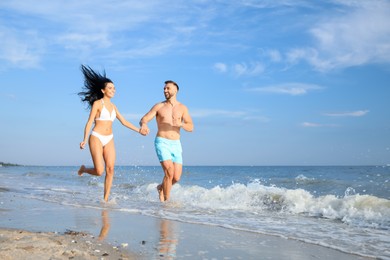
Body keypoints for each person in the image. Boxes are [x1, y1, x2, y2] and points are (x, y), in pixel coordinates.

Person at [77, 65, 146, 202]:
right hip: (96, 137)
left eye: (114, 88)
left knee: (110, 169)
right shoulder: (98, 103)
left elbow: (124, 122)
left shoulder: (114, 106)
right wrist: (84, 139)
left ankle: (106, 200)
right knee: (99, 171)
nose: (113, 90)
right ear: (103, 90)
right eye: (110, 88)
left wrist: (139, 130)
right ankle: (84, 169)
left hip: (109, 138)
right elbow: (90, 122)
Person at [139, 80, 193, 202]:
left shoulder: (182, 108)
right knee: (169, 171)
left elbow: (191, 127)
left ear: (175, 90)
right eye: (164, 89)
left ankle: (161, 188)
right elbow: (145, 118)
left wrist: (182, 124)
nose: (165, 91)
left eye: (167, 88)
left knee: (176, 177)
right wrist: (144, 125)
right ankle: (167, 204)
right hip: (162, 142)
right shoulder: (159, 106)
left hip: (176, 144)